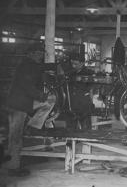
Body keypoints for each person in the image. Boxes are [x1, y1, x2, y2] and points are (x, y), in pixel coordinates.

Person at [6, 43, 54, 177]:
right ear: (31, 53)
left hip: (18, 104)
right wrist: (41, 95)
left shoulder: (27, 64)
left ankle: (33, 125)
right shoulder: (27, 66)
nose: (41, 56)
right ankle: (13, 167)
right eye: (39, 53)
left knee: (13, 135)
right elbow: (27, 85)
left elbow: (41, 68)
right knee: (16, 136)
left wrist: (55, 67)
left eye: (42, 53)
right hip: (19, 106)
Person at [58, 52, 94, 130]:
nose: (73, 66)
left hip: (83, 104)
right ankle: (71, 142)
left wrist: (91, 102)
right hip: (71, 104)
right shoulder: (70, 73)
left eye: (76, 64)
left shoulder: (88, 73)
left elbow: (90, 89)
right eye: (72, 63)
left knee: (85, 129)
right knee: (71, 128)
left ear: (82, 63)